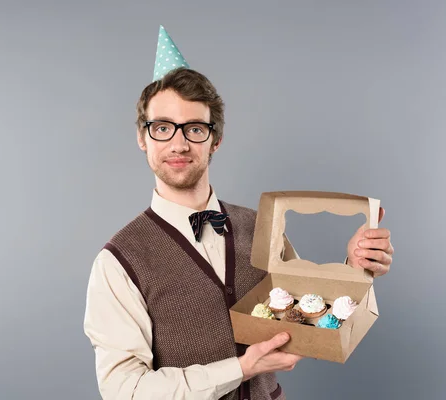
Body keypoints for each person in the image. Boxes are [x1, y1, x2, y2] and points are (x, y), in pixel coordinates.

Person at [84, 26, 394, 400]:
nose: (179, 143)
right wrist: (242, 369)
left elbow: (309, 315)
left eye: (194, 128)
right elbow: (125, 390)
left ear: (216, 139)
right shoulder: (118, 261)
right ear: (142, 136)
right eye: (163, 127)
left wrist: (355, 267)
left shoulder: (261, 226)